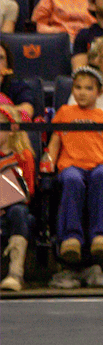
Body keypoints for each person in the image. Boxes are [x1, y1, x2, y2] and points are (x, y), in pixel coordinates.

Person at [46, 66, 103, 263]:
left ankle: (100, 235)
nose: (82, 92)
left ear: (98, 92)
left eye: (88, 88)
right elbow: (54, 145)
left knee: (100, 176)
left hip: (101, 166)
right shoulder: (64, 112)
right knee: (72, 179)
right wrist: (46, 166)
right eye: (78, 87)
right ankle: (71, 237)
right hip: (71, 166)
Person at [0, 121, 35, 290]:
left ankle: (15, 273)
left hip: (14, 208)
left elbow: (28, 192)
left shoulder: (22, 156)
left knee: (19, 211)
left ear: (12, 131)